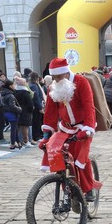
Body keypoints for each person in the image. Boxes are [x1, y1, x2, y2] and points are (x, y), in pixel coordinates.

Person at [39, 57, 99, 201]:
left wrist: (87, 128)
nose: (56, 79)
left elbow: (88, 106)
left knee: (80, 157)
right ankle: (65, 185)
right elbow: (50, 113)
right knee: (54, 152)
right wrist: (47, 135)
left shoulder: (81, 82)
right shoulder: (53, 87)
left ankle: (89, 188)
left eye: (58, 76)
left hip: (82, 126)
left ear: (66, 73)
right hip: (64, 127)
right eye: (53, 77)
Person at [1, 80, 22, 150]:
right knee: (13, 129)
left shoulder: (3, 93)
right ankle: (13, 144)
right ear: (10, 86)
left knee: (14, 128)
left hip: (6, 113)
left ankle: (18, 143)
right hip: (12, 113)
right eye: (14, 85)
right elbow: (12, 106)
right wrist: (20, 109)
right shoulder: (10, 95)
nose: (15, 86)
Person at [14, 76, 34, 147]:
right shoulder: (26, 92)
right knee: (25, 127)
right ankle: (26, 141)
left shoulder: (15, 92)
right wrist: (31, 110)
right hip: (25, 112)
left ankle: (17, 141)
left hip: (17, 111)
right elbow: (30, 104)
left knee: (18, 127)